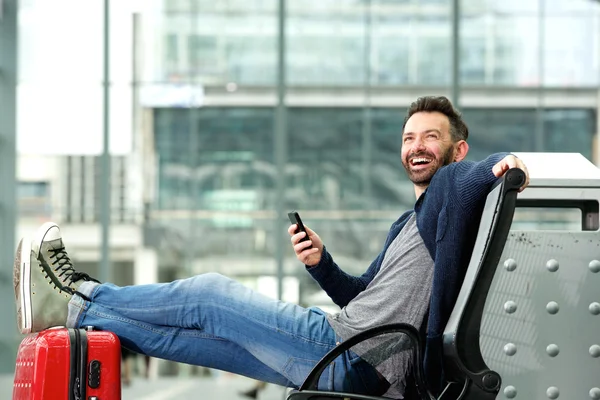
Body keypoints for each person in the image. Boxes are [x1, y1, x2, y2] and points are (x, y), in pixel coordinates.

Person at [12, 96, 529, 399]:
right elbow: (360, 295)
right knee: (188, 340)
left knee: (207, 295)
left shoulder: (448, 189)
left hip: (352, 355)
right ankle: (73, 312)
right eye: (408, 138)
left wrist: (501, 163)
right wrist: (321, 262)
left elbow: (471, 177)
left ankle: (79, 296)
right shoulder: (409, 223)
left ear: (456, 149)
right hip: (354, 345)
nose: (416, 146)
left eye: (430, 138)